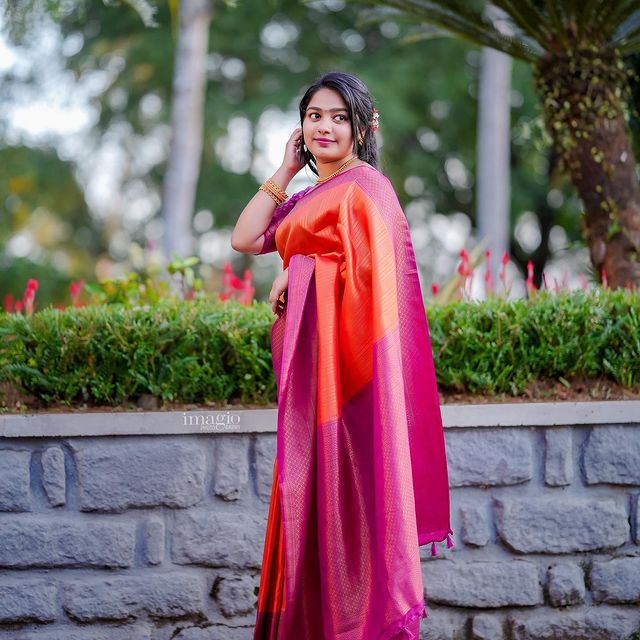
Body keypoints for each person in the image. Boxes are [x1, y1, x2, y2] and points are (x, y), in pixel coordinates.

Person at [231, 71, 453, 640]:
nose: (325, 127)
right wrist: (284, 172)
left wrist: (301, 272)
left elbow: (380, 297)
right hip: (312, 385)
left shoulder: (368, 189)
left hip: (352, 388)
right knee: (305, 502)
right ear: (300, 127)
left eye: (338, 117)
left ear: (361, 127)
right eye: (314, 116)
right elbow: (247, 237)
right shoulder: (310, 195)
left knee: (349, 510)